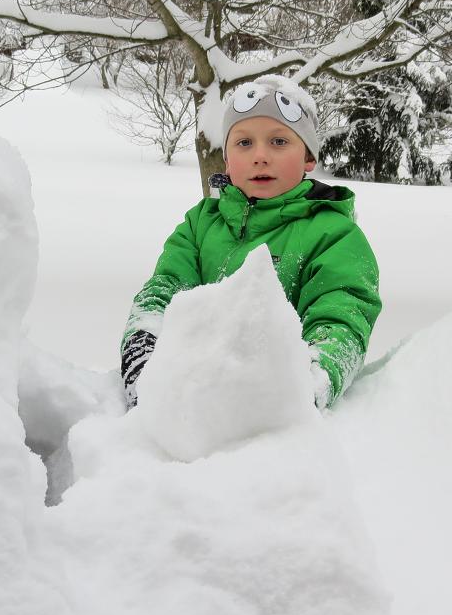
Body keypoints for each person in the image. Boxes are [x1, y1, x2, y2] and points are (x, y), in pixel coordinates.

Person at [120, 74, 381, 410]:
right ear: (227, 161)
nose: (260, 156)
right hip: (187, 396)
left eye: (279, 142)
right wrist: (143, 353)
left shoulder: (334, 235)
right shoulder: (200, 223)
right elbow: (166, 287)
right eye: (244, 143)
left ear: (308, 158)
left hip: (270, 407)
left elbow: (342, 318)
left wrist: (309, 385)